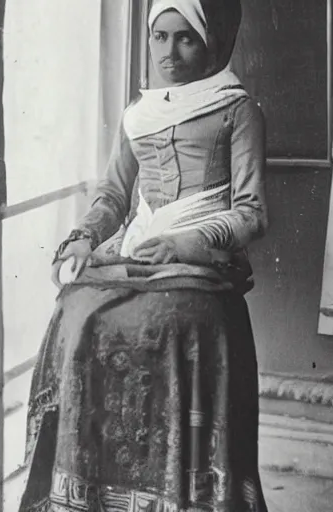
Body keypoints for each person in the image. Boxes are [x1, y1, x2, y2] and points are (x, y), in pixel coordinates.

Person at [19, 0, 269, 510]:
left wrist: (182, 245)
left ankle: (178, 490)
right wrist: (84, 238)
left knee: (173, 318)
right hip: (135, 249)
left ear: (209, 43)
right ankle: (84, 486)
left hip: (199, 261)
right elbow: (113, 195)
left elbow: (251, 213)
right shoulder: (139, 114)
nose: (169, 52)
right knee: (75, 308)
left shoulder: (237, 109)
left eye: (185, 38)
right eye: (159, 37)